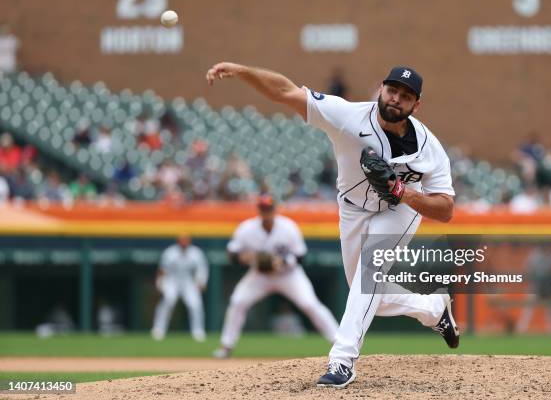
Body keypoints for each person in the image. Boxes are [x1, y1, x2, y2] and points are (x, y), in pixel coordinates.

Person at [206, 62, 459, 387]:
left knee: (369, 275)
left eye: (406, 95)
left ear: (416, 105)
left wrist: (403, 191)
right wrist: (242, 71)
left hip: (400, 210)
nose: (396, 98)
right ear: (381, 89)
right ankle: (432, 309)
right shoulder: (348, 116)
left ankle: (342, 361)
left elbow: (446, 209)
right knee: (365, 291)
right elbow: (286, 91)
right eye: (392, 90)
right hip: (353, 209)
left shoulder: (430, 148)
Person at [212, 195, 338, 359]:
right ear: (259, 210)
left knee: (309, 304)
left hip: (289, 276)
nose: (266, 212)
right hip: (259, 276)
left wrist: (281, 262)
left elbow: (301, 256)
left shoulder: (288, 227)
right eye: (263, 209)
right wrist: (244, 257)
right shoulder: (246, 229)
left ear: (275, 209)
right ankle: (226, 346)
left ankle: (339, 341)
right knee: (238, 301)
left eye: (269, 209)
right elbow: (232, 253)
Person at [151, 233, 209, 342]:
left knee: (195, 304)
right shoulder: (170, 252)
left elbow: (202, 269)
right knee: (168, 300)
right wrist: (160, 283)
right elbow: (162, 270)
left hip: (188, 281)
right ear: (178, 241)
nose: (184, 243)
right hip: (172, 280)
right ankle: (158, 330)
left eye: (186, 240)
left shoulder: (196, 253)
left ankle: (198, 332)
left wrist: (201, 282)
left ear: (189, 241)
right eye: (182, 240)